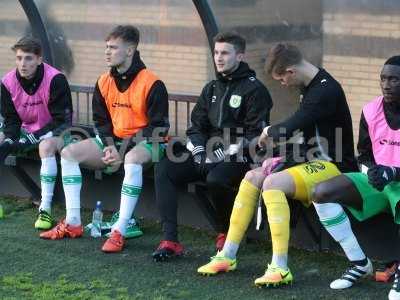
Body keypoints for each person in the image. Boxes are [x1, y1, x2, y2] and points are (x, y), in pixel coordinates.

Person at [197, 42, 358, 287]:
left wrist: (268, 131)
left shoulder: (326, 90)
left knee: (272, 182)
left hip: (336, 167)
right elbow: (306, 135)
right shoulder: (310, 86)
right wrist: (282, 158)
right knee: (253, 176)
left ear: (291, 71)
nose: (283, 84)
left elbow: (295, 124)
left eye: (281, 79)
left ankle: (280, 267)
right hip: (312, 162)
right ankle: (227, 255)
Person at [40, 25, 169, 254]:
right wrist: (111, 147)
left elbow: (157, 127)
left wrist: (122, 150)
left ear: (130, 51)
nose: (107, 52)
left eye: (113, 47)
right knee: (68, 153)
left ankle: (119, 230)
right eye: (106, 47)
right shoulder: (103, 81)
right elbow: (101, 122)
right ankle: (73, 222)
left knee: (131, 158)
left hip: (149, 142)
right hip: (115, 143)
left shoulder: (152, 82)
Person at [152, 31, 273, 261]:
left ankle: (226, 231)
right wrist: (199, 151)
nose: (219, 57)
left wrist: (225, 151)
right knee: (164, 168)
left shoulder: (255, 90)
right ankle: (170, 240)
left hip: (239, 158)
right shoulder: (211, 88)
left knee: (216, 179)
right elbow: (196, 126)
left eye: (225, 53)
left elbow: (256, 135)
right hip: (206, 154)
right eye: (216, 52)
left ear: (239, 56)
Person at [311, 56, 400, 300]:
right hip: (378, 180)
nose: (387, 84)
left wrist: (392, 172)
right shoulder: (371, 110)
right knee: (321, 192)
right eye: (383, 78)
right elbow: (364, 154)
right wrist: (370, 171)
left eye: (394, 79)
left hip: (397, 182)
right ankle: (359, 262)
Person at [0, 36, 73, 230]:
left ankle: (45, 208)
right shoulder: (7, 82)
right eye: (19, 58)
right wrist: (9, 139)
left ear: (39, 59)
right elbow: (11, 120)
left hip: (54, 132)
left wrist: (32, 138)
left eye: (28, 58)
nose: (23, 64)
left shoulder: (56, 79)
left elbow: (63, 121)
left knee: (45, 146)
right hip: (24, 129)